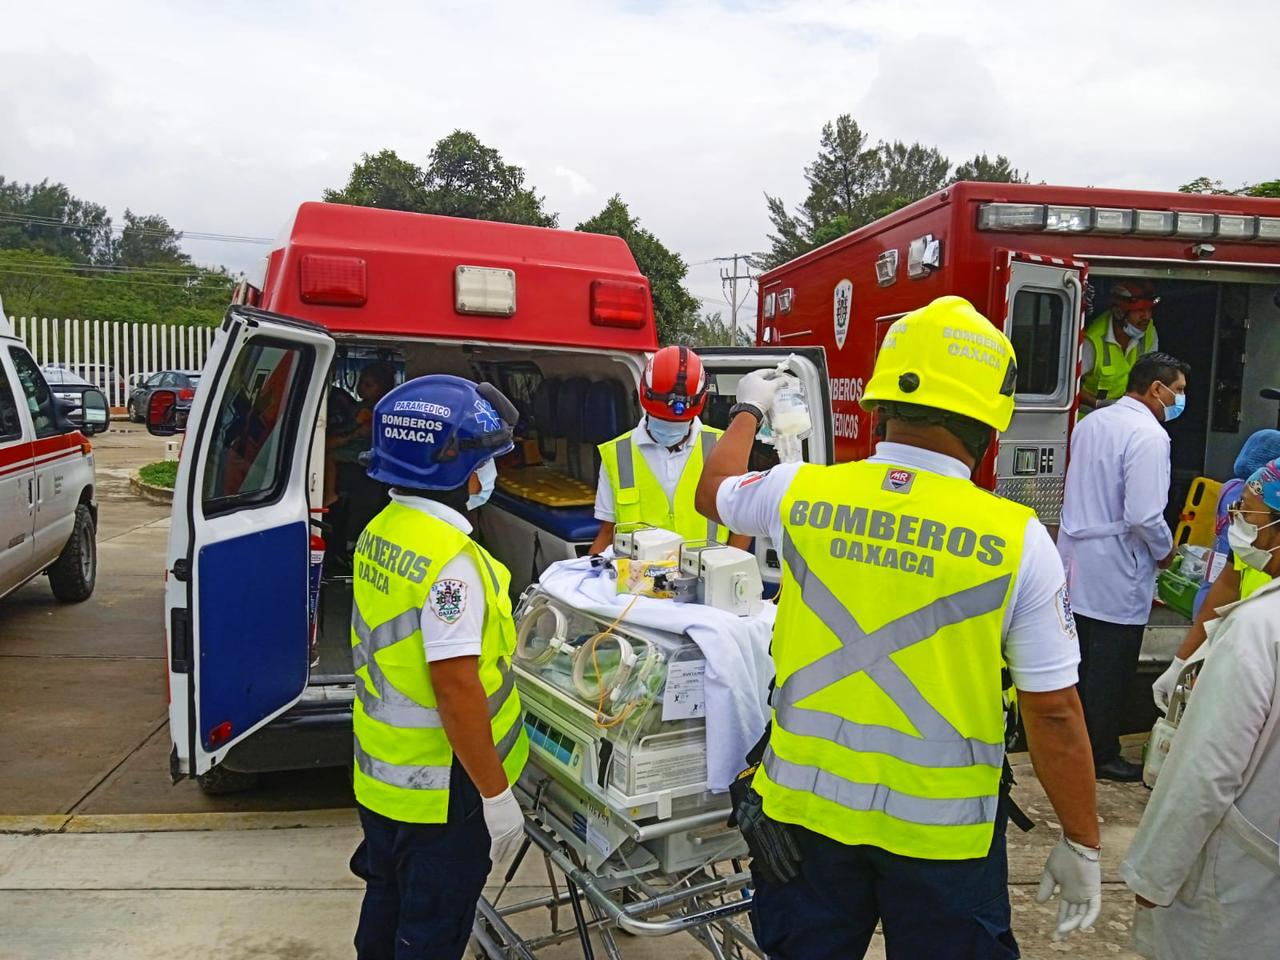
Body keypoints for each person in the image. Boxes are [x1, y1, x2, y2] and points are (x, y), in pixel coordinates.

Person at [696, 296, 1101, 958]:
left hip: (804, 824)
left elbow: (711, 492)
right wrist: (1082, 838)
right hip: (942, 841)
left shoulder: (802, 491)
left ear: (879, 406)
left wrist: (746, 408)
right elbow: (1053, 712)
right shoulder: (1019, 541)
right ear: (989, 424)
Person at [348, 374, 529, 960]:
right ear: (460, 473)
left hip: (382, 777)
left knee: (386, 903)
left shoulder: (381, 529)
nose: (492, 473)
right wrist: (497, 795)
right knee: (431, 932)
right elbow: (457, 691)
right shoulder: (452, 565)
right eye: (487, 460)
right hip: (443, 790)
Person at [1121, 458, 1280, 959]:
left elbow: (1207, 769)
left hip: (1239, 871)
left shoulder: (1260, 628)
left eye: (1250, 516)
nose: (1238, 524)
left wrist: (1153, 870)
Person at [1058, 351, 1189, 780]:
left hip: (1079, 560)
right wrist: (1165, 551)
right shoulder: (1149, 436)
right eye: (1178, 391)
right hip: (1118, 564)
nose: (1179, 400)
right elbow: (1144, 515)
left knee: (1079, 664)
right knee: (1110, 670)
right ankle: (1100, 754)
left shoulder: (1093, 423)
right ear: (1156, 388)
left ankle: (1070, 747)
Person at [1152, 429, 1280, 711]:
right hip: (1235, 646)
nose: (1239, 519)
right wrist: (1181, 662)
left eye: (1247, 511)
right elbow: (1226, 584)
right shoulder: (1253, 539)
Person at [591, 344, 750, 554]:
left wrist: (729, 572)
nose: (670, 427)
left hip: (707, 579)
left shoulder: (722, 446)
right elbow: (607, 532)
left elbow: (743, 526)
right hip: (638, 581)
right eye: (662, 419)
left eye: (679, 422)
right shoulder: (617, 453)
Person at [1078, 280, 1160, 417]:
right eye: (1139, 310)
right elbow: (1070, 388)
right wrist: (1097, 403)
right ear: (1118, 312)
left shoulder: (1149, 332)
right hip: (1089, 420)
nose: (1147, 317)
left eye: (1149, 310)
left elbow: (1151, 377)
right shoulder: (1092, 340)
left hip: (1126, 417)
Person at [325, 360, 397, 507]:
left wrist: (355, 430)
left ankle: (329, 493)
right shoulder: (367, 406)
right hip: (362, 447)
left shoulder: (370, 409)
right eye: (360, 382)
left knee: (330, 457)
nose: (361, 387)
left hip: (363, 450)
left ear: (381, 389)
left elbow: (355, 427)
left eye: (368, 385)